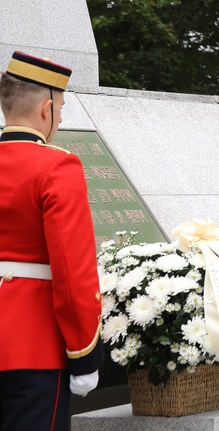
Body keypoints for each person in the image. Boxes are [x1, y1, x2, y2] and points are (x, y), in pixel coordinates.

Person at [0, 51, 103, 430]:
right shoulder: (57, 166)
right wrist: (84, 356)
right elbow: (73, 269)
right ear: (47, 109)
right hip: (34, 347)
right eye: (60, 108)